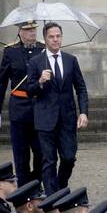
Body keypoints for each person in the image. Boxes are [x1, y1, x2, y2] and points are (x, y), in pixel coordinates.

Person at [26, 22, 90, 193]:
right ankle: (52, 197)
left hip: (67, 119)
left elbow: (81, 88)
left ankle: (61, 186)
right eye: (51, 37)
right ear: (45, 39)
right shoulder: (36, 62)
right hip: (45, 119)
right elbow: (29, 91)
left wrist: (83, 112)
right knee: (49, 160)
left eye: (58, 36)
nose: (55, 40)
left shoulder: (71, 60)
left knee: (69, 158)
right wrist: (40, 81)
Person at [0, 20, 45, 185]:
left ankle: (35, 183)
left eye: (34, 30)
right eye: (28, 30)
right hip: (19, 107)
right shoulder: (10, 51)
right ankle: (23, 189)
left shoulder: (43, 50)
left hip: (39, 107)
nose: (32, 33)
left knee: (41, 152)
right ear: (20, 32)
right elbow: (2, 83)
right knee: (21, 154)